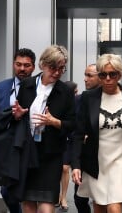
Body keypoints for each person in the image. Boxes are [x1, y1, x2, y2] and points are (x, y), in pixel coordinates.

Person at [71, 54, 122, 213]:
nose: (108, 78)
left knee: (114, 208)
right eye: (103, 74)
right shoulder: (88, 98)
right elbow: (78, 134)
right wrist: (76, 165)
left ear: (120, 74)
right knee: (100, 207)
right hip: (96, 162)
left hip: (120, 161)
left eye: (113, 74)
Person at [11, 45, 75, 213]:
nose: (57, 72)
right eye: (53, 67)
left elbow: (73, 124)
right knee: (28, 202)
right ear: (43, 65)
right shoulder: (27, 85)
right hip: (27, 151)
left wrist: (55, 122)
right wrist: (17, 115)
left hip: (51, 155)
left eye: (61, 68)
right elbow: (17, 118)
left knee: (47, 205)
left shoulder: (65, 92)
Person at [0, 48, 36, 213]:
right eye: (18, 64)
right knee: (6, 190)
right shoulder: (2, 87)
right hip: (6, 147)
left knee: (28, 190)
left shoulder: (39, 89)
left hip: (30, 147)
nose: (22, 69)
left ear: (33, 67)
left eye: (27, 65)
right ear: (13, 65)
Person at [73, 63, 101, 213]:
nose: (85, 79)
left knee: (102, 199)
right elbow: (74, 127)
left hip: (105, 158)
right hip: (85, 157)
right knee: (79, 198)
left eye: (89, 75)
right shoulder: (80, 99)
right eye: (85, 75)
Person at [55, 80, 79, 211]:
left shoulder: (78, 102)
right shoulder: (60, 101)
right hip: (59, 138)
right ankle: (57, 194)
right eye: (74, 92)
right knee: (57, 168)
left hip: (72, 139)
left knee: (65, 168)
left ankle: (63, 196)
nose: (76, 94)